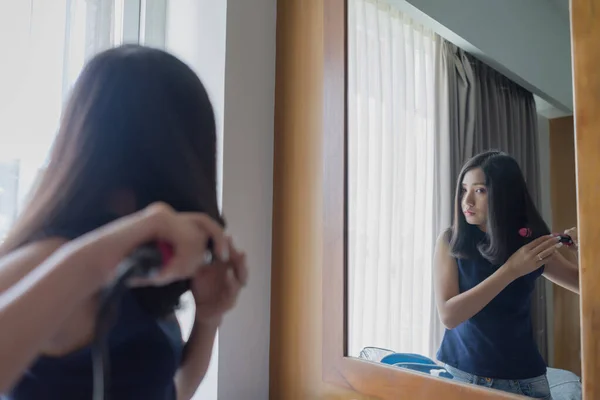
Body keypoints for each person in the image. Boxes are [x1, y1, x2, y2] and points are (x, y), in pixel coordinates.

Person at [0, 45, 248, 399]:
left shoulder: (143, 270)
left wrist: (208, 318)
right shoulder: (52, 259)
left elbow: (171, 391)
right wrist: (102, 258)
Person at [434, 150, 579, 399]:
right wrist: (511, 271)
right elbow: (449, 315)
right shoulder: (451, 241)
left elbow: (585, 286)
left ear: (504, 195)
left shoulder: (529, 245)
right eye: (464, 189)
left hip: (523, 382)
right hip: (461, 375)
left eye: (479, 190)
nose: (467, 201)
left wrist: (583, 252)